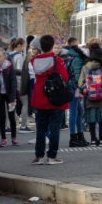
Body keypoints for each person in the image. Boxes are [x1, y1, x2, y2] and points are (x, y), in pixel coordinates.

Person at [30, 35, 69, 165]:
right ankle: (52, 156)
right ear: (52, 46)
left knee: (40, 127)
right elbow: (64, 77)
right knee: (55, 126)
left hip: (40, 95)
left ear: (41, 47)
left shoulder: (34, 61)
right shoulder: (56, 60)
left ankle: (39, 156)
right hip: (55, 96)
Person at [77, 42, 102, 146]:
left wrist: (82, 91)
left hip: (89, 98)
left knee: (91, 119)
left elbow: (80, 83)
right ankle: (101, 139)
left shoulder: (85, 67)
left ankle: (93, 139)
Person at [61, 37, 87, 147]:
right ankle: (73, 137)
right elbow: (77, 76)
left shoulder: (72, 57)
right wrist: (79, 88)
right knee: (74, 112)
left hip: (71, 86)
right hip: (74, 87)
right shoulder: (78, 59)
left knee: (79, 112)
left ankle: (79, 135)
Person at [0, 48, 19, 147]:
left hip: (9, 94)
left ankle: (14, 137)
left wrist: (12, 99)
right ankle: (3, 139)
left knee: (11, 116)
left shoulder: (9, 66)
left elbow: (13, 83)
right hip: (0, 94)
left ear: (4, 56)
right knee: (2, 116)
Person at [17, 39, 37, 134]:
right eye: (31, 48)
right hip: (31, 83)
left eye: (34, 49)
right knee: (28, 104)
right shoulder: (27, 59)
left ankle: (24, 124)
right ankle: (24, 125)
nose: (32, 50)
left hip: (29, 83)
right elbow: (26, 73)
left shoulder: (28, 58)